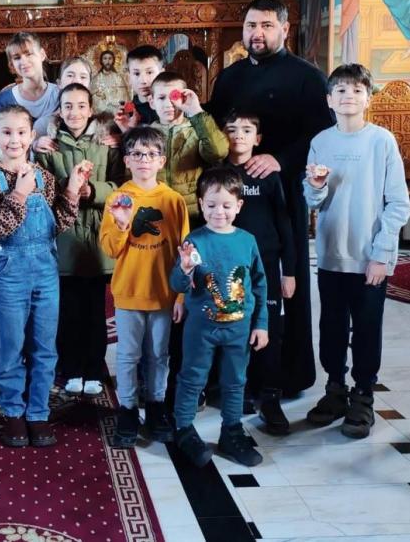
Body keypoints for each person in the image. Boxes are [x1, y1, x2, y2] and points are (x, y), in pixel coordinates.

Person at [208, 0, 334, 396]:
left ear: (284, 29)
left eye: (265, 25)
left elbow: (322, 134)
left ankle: (285, 377)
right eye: (250, 26)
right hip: (233, 196)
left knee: (283, 285)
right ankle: (232, 376)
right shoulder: (230, 77)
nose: (256, 33)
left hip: (283, 191)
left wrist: (280, 159)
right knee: (230, 281)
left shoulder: (307, 77)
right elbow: (213, 128)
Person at [304, 64, 410, 439]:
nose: (348, 96)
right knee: (331, 326)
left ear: (368, 98)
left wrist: (382, 254)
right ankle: (335, 389)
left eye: (357, 90)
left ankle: (363, 394)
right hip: (332, 254)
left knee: (366, 328)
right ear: (329, 100)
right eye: (341, 90)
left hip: (370, 258)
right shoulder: (321, 141)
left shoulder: (382, 141)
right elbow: (312, 200)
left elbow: (398, 204)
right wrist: (316, 185)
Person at [0, 106, 85, 448]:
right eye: (6, 132)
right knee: (11, 346)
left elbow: (58, 224)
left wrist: (72, 190)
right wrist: (19, 194)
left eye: (21, 132)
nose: (14, 140)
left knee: (44, 347)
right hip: (11, 272)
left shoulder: (44, 177)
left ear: (32, 136)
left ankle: (38, 413)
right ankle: (13, 412)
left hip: (46, 271)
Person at [171, 167, 268, 468]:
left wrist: (261, 324)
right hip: (201, 329)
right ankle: (183, 429)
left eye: (226, 205)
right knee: (192, 378)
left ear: (239, 205)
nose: (219, 212)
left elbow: (260, 285)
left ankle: (232, 431)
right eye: (211, 205)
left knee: (235, 381)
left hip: (239, 329)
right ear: (201, 204)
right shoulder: (194, 240)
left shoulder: (247, 241)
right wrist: (184, 270)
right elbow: (177, 284)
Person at [101, 126, 189, 448]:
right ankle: (127, 409)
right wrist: (122, 225)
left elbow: (184, 253)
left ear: (162, 161)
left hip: (163, 293)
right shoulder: (118, 198)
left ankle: (155, 406)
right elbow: (110, 248)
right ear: (127, 160)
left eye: (151, 154)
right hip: (129, 291)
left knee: (158, 354)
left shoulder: (173, 200)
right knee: (127, 355)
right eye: (137, 153)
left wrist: (181, 295)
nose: (144, 160)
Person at [37, 84, 123, 397]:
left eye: (81, 106)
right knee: (68, 311)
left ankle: (94, 369)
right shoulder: (49, 147)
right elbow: (42, 188)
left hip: (98, 237)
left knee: (95, 311)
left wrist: (94, 191)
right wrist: (70, 187)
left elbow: (121, 185)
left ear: (91, 109)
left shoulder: (107, 143)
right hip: (65, 238)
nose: (75, 112)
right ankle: (71, 368)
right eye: (68, 106)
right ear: (59, 111)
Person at [222, 113, 296, 433]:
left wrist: (289, 271)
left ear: (258, 138)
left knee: (270, 332)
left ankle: (270, 397)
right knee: (233, 329)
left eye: (247, 130)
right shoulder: (217, 175)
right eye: (231, 130)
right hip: (229, 268)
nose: (238, 135)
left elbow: (284, 225)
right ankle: (237, 391)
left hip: (266, 266)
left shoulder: (268, 176)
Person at [148, 71, 228, 224]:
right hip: (155, 212)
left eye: (174, 97)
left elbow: (218, 152)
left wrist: (196, 111)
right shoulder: (146, 134)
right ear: (152, 102)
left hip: (190, 215)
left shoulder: (197, 131)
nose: (169, 104)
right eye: (162, 98)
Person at [0, 32, 61, 137]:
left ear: (42, 54)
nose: (23, 61)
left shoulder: (59, 94)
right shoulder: (4, 100)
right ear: (12, 64)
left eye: (29, 54)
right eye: (17, 58)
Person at [114, 44, 163, 130]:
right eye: (136, 74)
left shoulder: (171, 106)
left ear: (161, 74)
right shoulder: (128, 111)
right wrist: (126, 130)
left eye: (149, 72)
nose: (143, 81)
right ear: (128, 77)